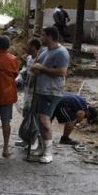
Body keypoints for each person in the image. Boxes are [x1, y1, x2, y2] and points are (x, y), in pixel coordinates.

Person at [30, 26, 71, 163]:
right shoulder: (43, 51)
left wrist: (42, 68)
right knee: (39, 120)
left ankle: (48, 152)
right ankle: (42, 148)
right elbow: (37, 66)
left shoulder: (61, 52)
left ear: (49, 37)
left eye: (42, 35)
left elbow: (61, 72)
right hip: (40, 90)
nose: (40, 38)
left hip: (51, 91)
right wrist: (35, 69)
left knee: (44, 119)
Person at [14, 38, 42, 150]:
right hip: (27, 90)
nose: (25, 46)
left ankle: (34, 140)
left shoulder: (40, 60)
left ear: (33, 47)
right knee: (26, 114)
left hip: (35, 92)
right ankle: (26, 138)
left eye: (28, 44)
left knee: (34, 116)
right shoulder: (28, 58)